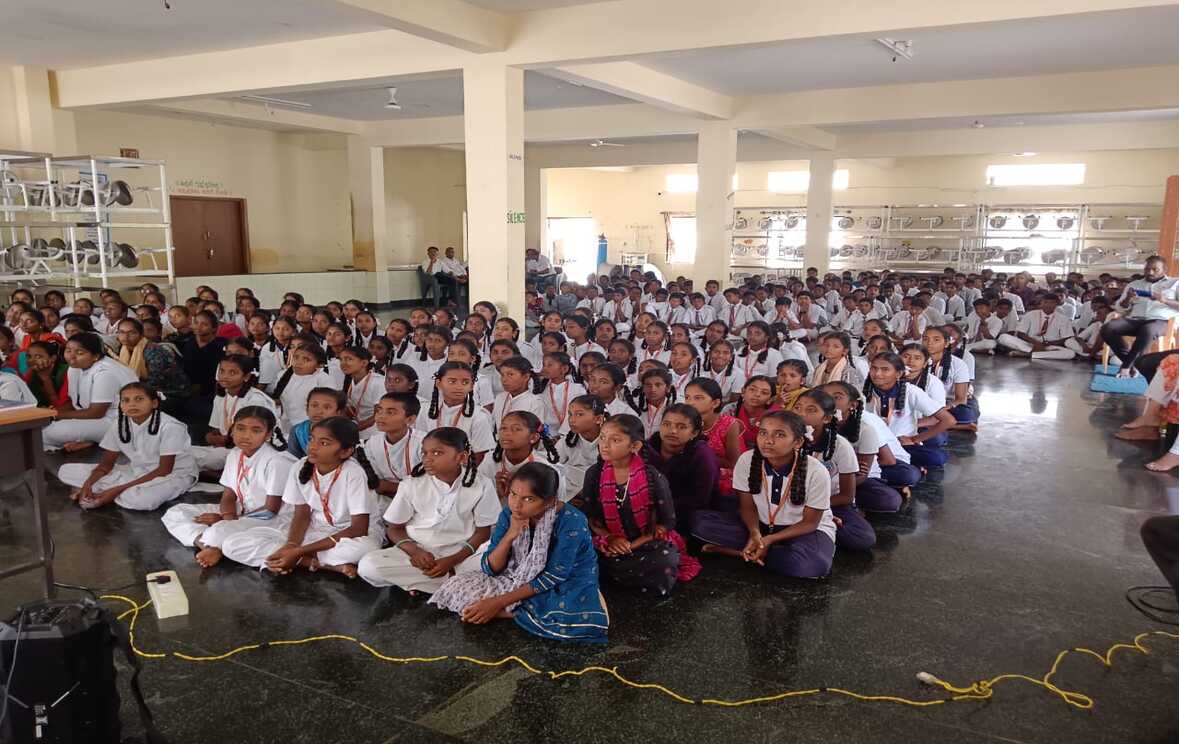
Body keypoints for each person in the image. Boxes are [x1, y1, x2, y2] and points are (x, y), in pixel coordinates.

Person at [429, 462, 608, 644]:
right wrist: (510, 535)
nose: (516, 505)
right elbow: (491, 568)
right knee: (456, 586)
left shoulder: (572, 521)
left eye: (529, 499)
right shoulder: (509, 514)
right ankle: (521, 610)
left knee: (572, 613)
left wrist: (497, 602)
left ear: (549, 501)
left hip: (565, 579)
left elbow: (555, 575)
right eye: (513, 494)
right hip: (516, 575)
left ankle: (512, 611)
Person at [221, 417, 383, 577]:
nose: (312, 446)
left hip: (349, 535)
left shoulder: (353, 473)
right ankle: (314, 562)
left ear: (346, 451)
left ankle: (295, 558)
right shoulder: (300, 466)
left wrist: (298, 550)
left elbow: (358, 529)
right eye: (312, 439)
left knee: (362, 550)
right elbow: (302, 515)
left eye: (324, 443)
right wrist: (291, 544)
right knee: (231, 544)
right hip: (315, 529)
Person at [692, 411, 836, 578]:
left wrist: (770, 540)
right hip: (760, 526)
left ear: (798, 442)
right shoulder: (747, 460)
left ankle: (742, 552)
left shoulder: (816, 471)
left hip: (801, 531)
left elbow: (810, 523)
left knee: (812, 565)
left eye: (779, 435)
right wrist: (755, 533)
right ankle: (761, 549)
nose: (768, 441)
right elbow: (747, 507)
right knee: (699, 523)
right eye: (763, 433)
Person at [357, 427, 500, 593]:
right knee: (368, 566)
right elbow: (394, 528)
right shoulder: (411, 484)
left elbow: (483, 533)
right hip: (420, 552)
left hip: (463, 553)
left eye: (437, 453)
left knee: (493, 559)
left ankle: (424, 582)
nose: (428, 459)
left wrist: (452, 560)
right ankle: (451, 581)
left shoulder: (482, 484)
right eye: (424, 453)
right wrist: (415, 552)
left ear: (461, 457)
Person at [161, 407, 296, 567]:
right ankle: (209, 546)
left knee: (219, 531)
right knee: (176, 512)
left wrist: (228, 521)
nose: (246, 435)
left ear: (268, 435)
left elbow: (270, 510)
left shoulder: (277, 461)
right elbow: (229, 495)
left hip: (270, 518)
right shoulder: (235, 454)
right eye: (240, 428)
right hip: (241, 511)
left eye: (256, 431)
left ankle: (213, 544)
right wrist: (228, 517)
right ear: (232, 430)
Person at [580, 414, 682, 595]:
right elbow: (590, 517)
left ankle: (610, 576)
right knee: (575, 554)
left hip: (644, 543)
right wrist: (610, 539)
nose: (604, 444)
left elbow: (667, 522)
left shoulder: (653, 477)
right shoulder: (594, 474)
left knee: (664, 561)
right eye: (602, 437)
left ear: (634, 446)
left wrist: (630, 546)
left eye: (615, 440)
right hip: (607, 541)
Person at [57, 382, 198, 510]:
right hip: (137, 470)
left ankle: (109, 492)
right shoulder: (119, 424)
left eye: (139, 399)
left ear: (154, 403)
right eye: (126, 400)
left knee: (140, 499)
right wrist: (87, 485)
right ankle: (106, 492)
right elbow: (106, 465)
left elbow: (164, 470)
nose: (132, 404)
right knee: (66, 470)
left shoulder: (170, 426)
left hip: (174, 474)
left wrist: (116, 490)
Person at [796, 389, 875, 551]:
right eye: (797, 408)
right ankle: (812, 529)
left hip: (831, 502)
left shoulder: (841, 445)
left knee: (862, 538)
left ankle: (811, 528)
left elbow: (846, 496)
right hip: (791, 502)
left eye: (811, 410)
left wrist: (816, 509)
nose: (801, 414)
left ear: (826, 418)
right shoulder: (787, 439)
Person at [824, 381, 918, 511]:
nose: (830, 402)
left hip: (854, 478)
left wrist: (847, 473)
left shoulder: (865, 428)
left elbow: (865, 472)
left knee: (889, 499)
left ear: (853, 405)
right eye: (824, 397)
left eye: (837, 397)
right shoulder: (816, 424)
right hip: (827, 475)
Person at [42, 333, 138, 451]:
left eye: (79, 353)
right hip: (98, 419)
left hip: (120, 423)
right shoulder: (74, 368)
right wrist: (51, 413)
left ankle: (96, 441)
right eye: (68, 351)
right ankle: (91, 441)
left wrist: (56, 415)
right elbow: (74, 402)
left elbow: (96, 413)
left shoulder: (105, 373)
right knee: (43, 426)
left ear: (96, 356)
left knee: (50, 432)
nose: (72, 356)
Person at [863, 352, 955, 469]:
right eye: (874, 368)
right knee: (907, 473)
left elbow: (949, 420)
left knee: (937, 458)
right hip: (874, 445)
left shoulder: (911, 392)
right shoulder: (861, 392)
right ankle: (904, 467)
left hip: (902, 444)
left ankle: (896, 466)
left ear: (898, 374)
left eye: (885, 369)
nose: (877, 374)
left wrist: (915, 439)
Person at [192, 355, 278, 471]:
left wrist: (226, 440)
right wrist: (211, 437)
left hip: (248, 449)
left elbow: (258, 437)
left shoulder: (255, 399)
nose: (225, 376)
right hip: (224, 447)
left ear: (246, 376)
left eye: (232, 373)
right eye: (222, 371)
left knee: (196, 459)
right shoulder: (221, 397)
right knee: (184, 453)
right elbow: (216, 429)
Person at [647, 403, 718, 540]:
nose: (672, 431)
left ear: (694, 433)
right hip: (648, 510)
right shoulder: (648, 447)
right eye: (666, 424)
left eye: (682, 427)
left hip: (686, 513)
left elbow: (699, 499)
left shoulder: (702, 455)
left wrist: (661, 516)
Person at [1101, 256, 1179, 378]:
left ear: (1164, 270)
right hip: (1135, 320)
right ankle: (1133, 364)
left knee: (1148, 330)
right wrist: (1128, 298)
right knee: (1108, 328)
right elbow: (1120, 308)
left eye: (1155, 269)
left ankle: (1126, 367)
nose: (1150, 272)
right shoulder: (1134, 284)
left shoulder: (1175, 283)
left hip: (1162, 321)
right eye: (1147, 269)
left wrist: (1164, 300)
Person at [479, 410, 566, 502]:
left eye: (516, 429)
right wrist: (498, 494)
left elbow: (556, 504)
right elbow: (477, 498)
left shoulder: (546, 468)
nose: (507, 433)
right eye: (503, 428)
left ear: (533, 437)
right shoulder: (490, 460)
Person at [416, 361, 497, 461]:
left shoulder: (479, 416)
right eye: (452, 382)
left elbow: (480, 454)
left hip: (464, 468)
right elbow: (420, 444)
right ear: (438, 383)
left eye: (465, 382)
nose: (459, 387)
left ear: (472, 386)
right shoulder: (425, 411)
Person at [361, 392, 426, 497]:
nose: (381, 416)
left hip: (419, 498)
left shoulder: (424, 443)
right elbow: (376, 484)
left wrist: (389, 486)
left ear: (410, 419)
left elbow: (428, 485)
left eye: (390, 412)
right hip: (384, 499)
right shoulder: (372, 443)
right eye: (379, 410)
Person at [272, 343, 335, 434]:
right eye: (296, 357)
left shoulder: (323, 379)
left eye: (307, 360)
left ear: (319, 365)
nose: (299, 362)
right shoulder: (283, 375)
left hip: (312, 428)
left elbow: (328, 407)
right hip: (285, 427)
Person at [556, 395, 605, 505]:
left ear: (598, 419)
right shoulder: (567, 441)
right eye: (570, 414)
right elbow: (551, 466)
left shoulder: (608, 442)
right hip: (570, 494)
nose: (571, 420)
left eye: (579, 414)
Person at [340, 346, 384, 438]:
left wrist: (355, 428)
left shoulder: (378, 382)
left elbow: (380, 414)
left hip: (376, 430)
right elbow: (352, 409)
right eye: (341, 359)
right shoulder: (350, 380)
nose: (343, 363)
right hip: (359, 426)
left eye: (349, 359)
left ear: (364, 363)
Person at [22, 340, 69, 408]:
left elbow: (62, 408)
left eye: (38, 357)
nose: (31, 360)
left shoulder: (66, 372)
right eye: (29, 356)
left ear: (53, 358)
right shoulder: (30, 373)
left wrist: (46, 378)